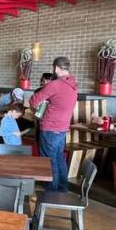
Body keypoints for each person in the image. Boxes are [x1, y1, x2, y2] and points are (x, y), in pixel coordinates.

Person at [27, 56, 78, 191]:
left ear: (56, 68)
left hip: (50, 128)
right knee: (59, 158)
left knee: (49, 161)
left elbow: (33, 101)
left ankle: (51, 192)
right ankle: (62, 188)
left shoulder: (55, 85)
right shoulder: (73, 84)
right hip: (62, 128)